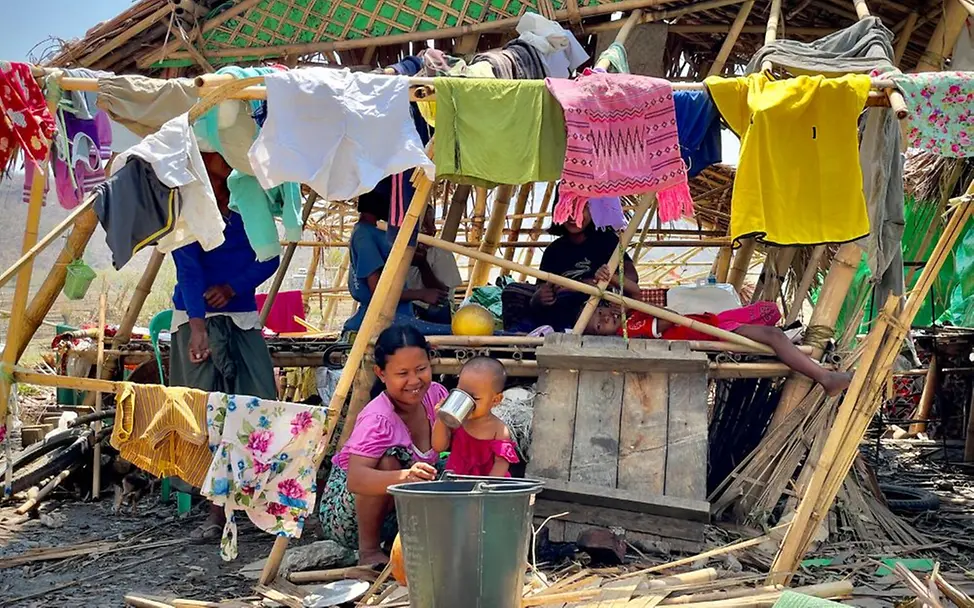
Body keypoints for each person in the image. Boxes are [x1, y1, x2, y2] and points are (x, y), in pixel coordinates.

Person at [169, 152, 281, 543]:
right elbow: (188, 267)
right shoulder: (186, 202)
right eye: (212, 151)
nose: (222, 156)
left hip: (242, 318)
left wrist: (234, 287)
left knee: (256, 407)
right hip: (193, 317)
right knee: (204, 414)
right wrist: (198, 327)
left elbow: (270, 256)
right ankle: (216, 511)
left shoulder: (248, 199)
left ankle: (252, 500)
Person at [319, 325, 447, 566]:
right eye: (402, 373)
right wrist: (405, 476)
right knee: (388, 459)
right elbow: (356, 480)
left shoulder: (436, 395)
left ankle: (401, 543)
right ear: (381, 373)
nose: (414, 380)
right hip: (349, 517)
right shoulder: (377, 419)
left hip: (398, 508)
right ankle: (368, 551)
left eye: (421, 369)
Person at [585, 297, 854, 396]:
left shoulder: (631, 318)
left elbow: (650, 301)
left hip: (709, 324)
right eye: (599, 325)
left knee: (768, 314)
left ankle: (809, 363)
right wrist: (632, 306)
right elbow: (666, 320)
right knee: (773, 337)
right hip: (711, 336)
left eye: (601, 312)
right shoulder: (629, 330)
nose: (604, 319)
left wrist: (627, 303)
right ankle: (824, 377)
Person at [344, 189, 452, 337]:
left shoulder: (373, 232)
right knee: (449, 334)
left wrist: (417, 262)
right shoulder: (365, 236)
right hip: (385, 318)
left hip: (398, 314)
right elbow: (377, 291)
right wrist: (421, 294)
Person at [532, 204, 638, 331]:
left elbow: (633, 277)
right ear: (558, 209)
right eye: (568, 207)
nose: (574, 215)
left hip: (597, 309)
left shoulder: (607, 241)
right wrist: (540, 297)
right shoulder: (553, 250)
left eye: (583, 207)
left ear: (595, 209)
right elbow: (540, 288)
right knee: (513, 291)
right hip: (560, 309)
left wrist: (601, 281)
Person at [432, 357, 518, 477]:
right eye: (461, 392)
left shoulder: (499, 429)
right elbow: (438, 447)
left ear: (495, 400)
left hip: (486, 484)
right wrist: (441, 418)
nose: (466, 401)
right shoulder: (458, 419)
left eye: (475, 398)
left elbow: (501, 464)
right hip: (456, 481)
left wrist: (486, 487)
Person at [405, 205, 462, 324]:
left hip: (431, 310)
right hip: (407, 306)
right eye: (424, 225)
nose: (432, 230)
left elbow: (442, 293)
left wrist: (422, 265)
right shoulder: (396, 251)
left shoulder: (441, 252)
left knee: (439, 307)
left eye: (431, 223)